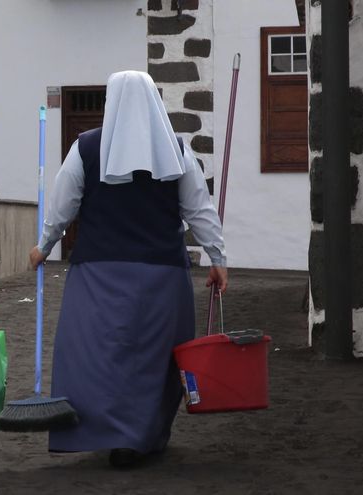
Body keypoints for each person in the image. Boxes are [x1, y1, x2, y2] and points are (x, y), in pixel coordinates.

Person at [29, 70, 228, 468]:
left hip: (98, 275)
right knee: (154, 357)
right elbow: (199, 209)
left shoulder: (86, 147)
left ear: (110, 103)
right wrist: (218, 259)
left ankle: (109, 432)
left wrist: (44, 246)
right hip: (162, 276)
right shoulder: (177, 149)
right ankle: (141, 435)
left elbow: (62, 205)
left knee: (100, 355)